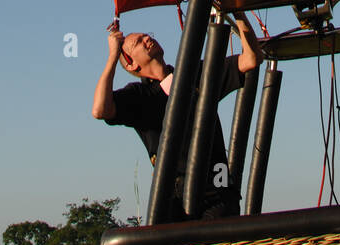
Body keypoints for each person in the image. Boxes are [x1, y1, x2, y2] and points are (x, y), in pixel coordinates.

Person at [92, 14, 260, 220]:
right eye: (139, 41)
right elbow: (100, 110)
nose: (147, 39)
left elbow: (252, 58)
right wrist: (112, 56)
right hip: (174, 197)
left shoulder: (196, 74)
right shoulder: (139, 97)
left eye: (147, 35)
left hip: (219, 187)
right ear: (131, 64)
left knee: (218, 239)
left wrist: (238, 12)